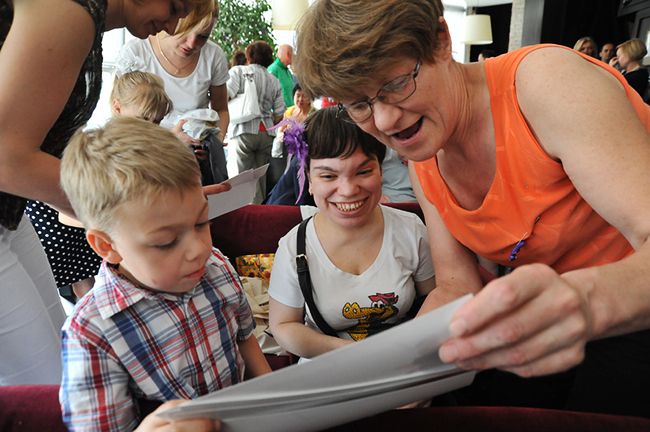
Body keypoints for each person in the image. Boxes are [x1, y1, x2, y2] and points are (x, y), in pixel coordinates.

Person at [294, 0, 650, 418]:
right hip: (553, 308)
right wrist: (402, 362)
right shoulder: (424, 154)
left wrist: (582, 300)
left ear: (441, 41)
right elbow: (455, 284)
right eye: (359, 104)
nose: (385, 120)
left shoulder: (545, 85)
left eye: (396, 84)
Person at [0, 0, 216, 387]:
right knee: (50, 387)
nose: (172, 26)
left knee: (63, 363)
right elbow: (7, 159)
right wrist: (135, 210)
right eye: (174, 7)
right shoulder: (71, 11)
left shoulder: (89, 22)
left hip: (9, 209)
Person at [59, 117, 271, 431]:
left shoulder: (216, 267)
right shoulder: (91, 334)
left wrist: (276, 402)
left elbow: (245, 340)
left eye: (201, 223)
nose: (198, 249)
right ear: (107, 246)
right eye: (166, 242)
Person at [268, 107, 435, 360]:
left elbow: (434, 299)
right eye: (328, 175)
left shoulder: (411, 230)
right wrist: (356, 354)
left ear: (381, 171)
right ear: (309, 179)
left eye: (363, 171)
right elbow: (284, 325)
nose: (348, 190)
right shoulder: (295, 246)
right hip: (327, 371)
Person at [116, 2, 230, 184]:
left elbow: (221, 109)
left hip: (193, 162)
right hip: (145, 161)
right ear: (172, 20)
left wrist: (213, 143)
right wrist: (170, 142)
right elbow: (120, 116)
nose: (192, 43)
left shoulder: (213, 56)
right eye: (185, 32)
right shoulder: (136, 52)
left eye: (202, 37)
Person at [227, 40, 285, 203]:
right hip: (266, 133)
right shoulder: (274, 80)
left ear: (249, 56)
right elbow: (279, 113)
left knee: (240, 179)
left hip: (243, 130)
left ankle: (242, 211)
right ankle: (259, 210)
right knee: (259, 180)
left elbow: (225, 95)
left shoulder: (239, 72)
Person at [268, 44, 296, 109]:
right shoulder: (273, 70)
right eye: (293, 54)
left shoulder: (288, 72)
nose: (294, 57)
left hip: (290, 111)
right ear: (288, 54)